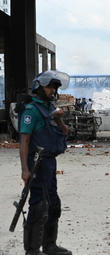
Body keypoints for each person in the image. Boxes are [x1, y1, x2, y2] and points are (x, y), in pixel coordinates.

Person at [18, 70, 72, 255]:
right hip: (37, 164)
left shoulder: (51, 110)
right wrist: (25, 170)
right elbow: (24, 141)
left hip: (50, 163)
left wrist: (59, 119)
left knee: (53, 204)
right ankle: (32, 250)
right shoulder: (31, 110)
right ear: (38, 87)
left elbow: (64, 134)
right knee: (39, 205)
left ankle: (50, 245)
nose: (53, 90)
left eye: (55, 87)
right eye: (50, 86)